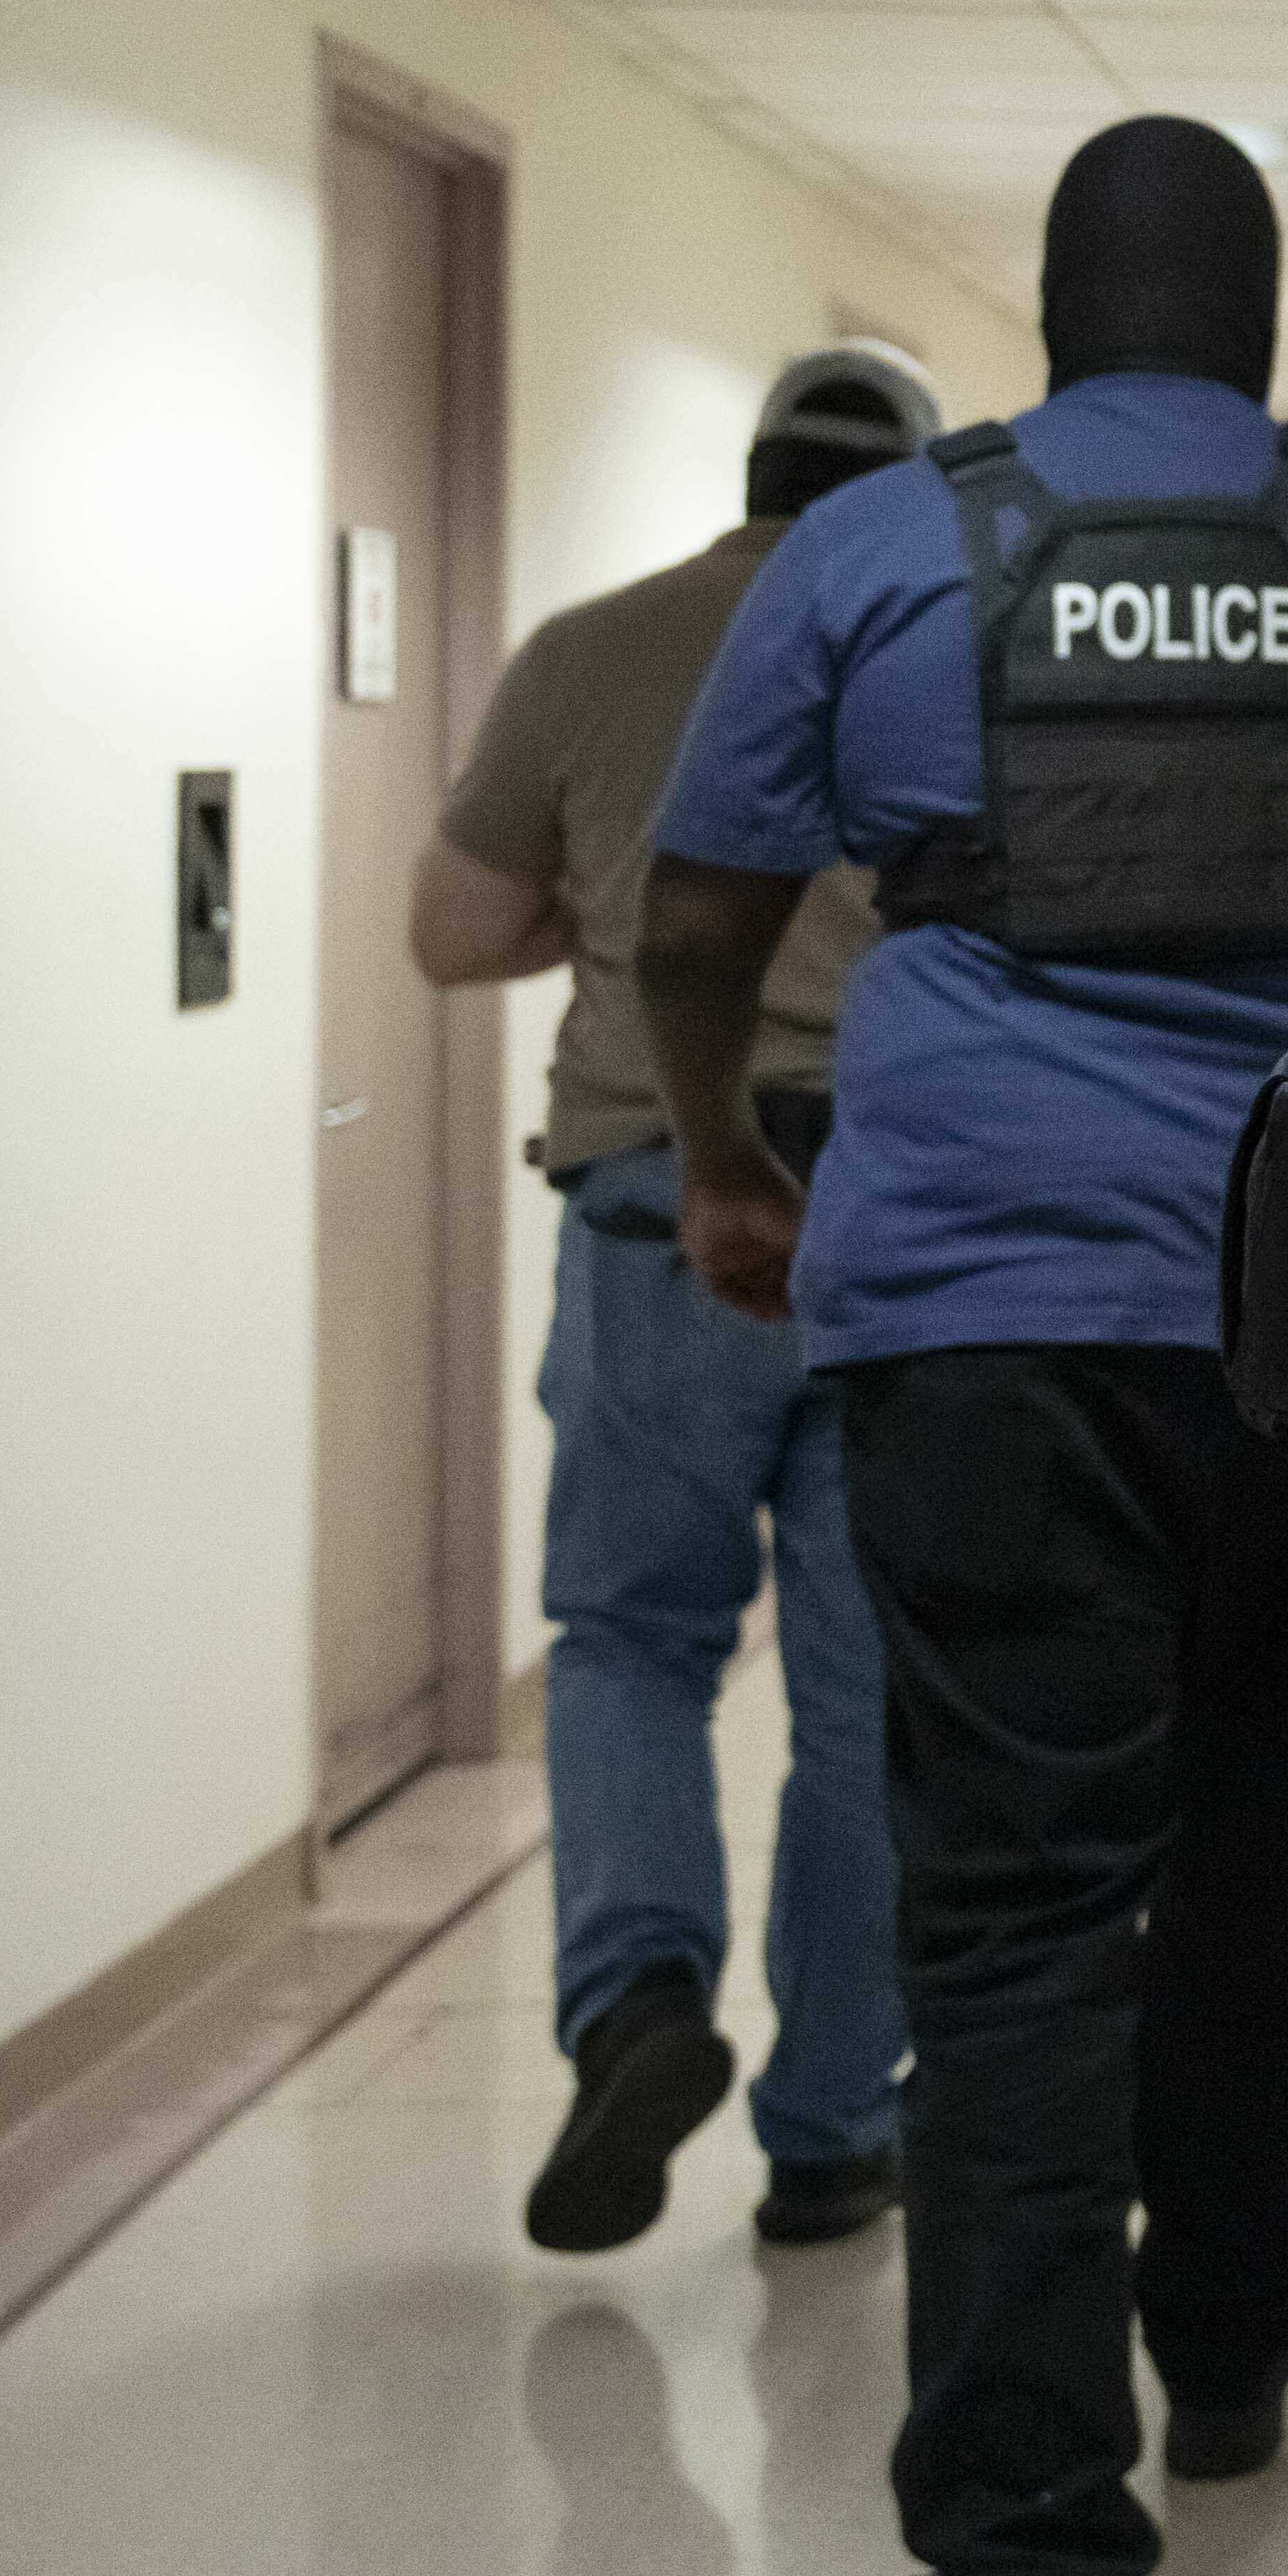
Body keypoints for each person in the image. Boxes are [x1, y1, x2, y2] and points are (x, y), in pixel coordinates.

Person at [636, 117, 1288, 2576]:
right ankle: (1238, 2348)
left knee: (1022, 1912)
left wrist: (722, 1147)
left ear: (1054, 321)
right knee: (1272, 1813)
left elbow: (696, 913)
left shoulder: (880, 553)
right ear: (1262, 328)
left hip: (973, 1316)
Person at [410, 346, 933, 2259]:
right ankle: (829, 2138)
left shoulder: (589, 648)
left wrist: (597, 905)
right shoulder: (933, 650)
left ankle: (636, 2002)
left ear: (745, 472)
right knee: (869, 1703)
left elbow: (454, 932)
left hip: (658, 1206)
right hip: (890, 1227)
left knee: (629, 1643)